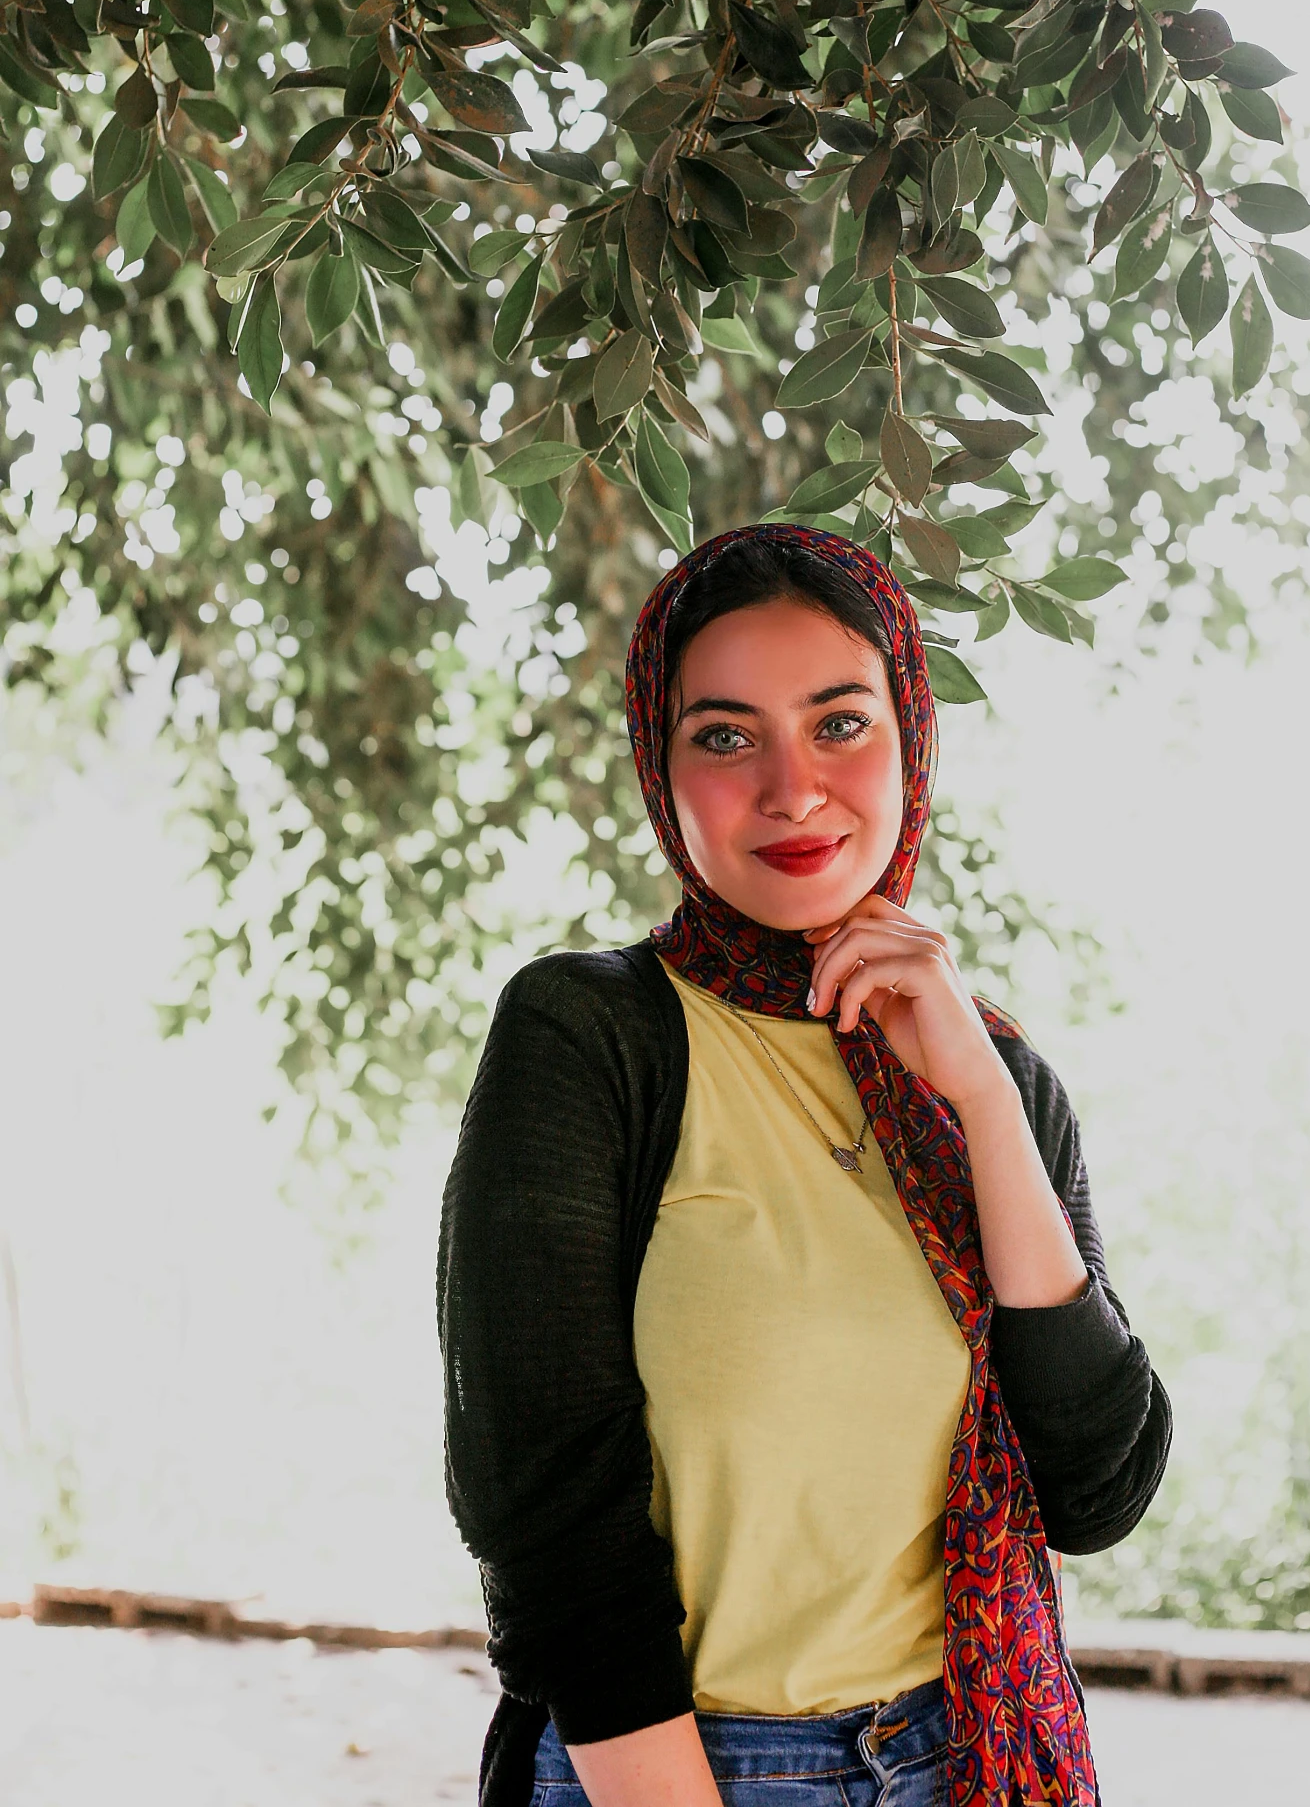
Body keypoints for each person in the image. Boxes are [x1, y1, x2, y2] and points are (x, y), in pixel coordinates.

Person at [439, 523, 1171, 1807]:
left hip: (964, 1759)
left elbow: (1098, 1485)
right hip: (678, 1770)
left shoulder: (991, 1075)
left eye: (840, 723)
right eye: (725, 735)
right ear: (661, 768)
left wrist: (986, 1107)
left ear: (910, 740)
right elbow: (541, 1509)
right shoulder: (589, 1036)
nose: (792, 787)